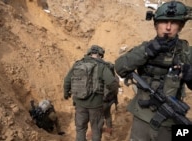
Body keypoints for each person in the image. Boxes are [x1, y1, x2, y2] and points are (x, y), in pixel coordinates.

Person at [114, 1, 192, 141]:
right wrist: (147, 51)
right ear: (156, 25)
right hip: (141, 119)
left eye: (173, 23)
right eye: (163, 22)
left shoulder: (186, 53)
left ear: (180, 26)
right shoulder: (145, 47)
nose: (168, 27)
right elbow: (120, 67)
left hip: (170, 120)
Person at [63, 45, 119, 141]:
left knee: (80, 129)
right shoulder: (102, 67)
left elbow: (67, 80)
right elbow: (112, 83)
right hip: (96, 106)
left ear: (88, 53)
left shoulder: (78, 64)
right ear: (100, 55)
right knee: (96, 130)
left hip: (80, 104)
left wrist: (66, 94)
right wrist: (113, 93)